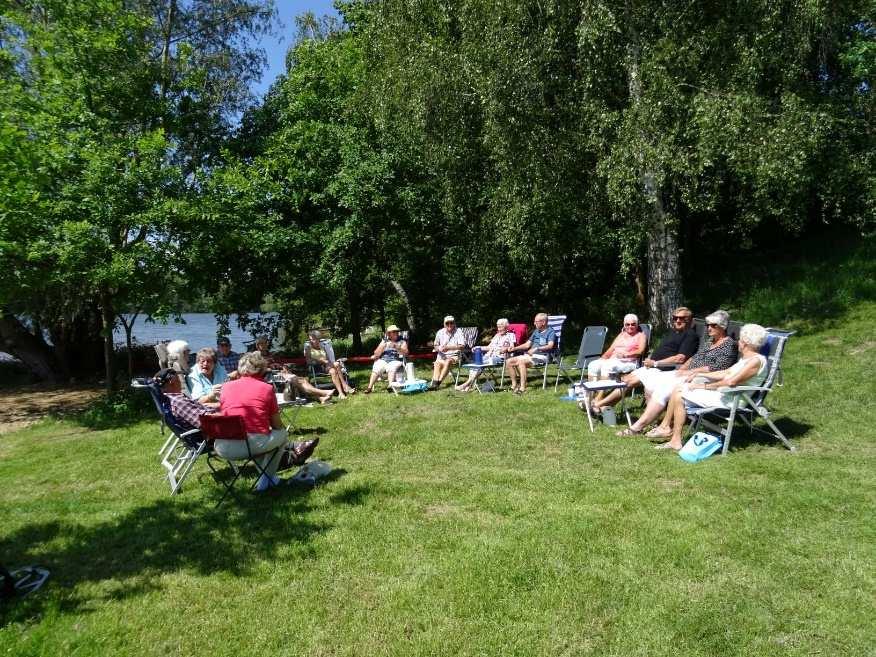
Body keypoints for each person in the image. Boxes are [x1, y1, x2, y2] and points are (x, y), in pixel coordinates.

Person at [617, 309, 738, 436]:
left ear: (723, 327)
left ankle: (637, 427)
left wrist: (691, 371)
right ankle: (655, 420)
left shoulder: (729, 345)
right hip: (688, 372)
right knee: (652, 383)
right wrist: (682, 369)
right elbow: (694, 358)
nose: (709, 328)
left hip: (702, 378)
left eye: (713, 325)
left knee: (663, 389)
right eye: (707, 325)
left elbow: (717, 367)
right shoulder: (710, 342)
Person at [650, 324, 770, 451]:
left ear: (745, 342)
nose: (738, 342)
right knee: (680, 388)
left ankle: (674, 439)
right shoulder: (746, 360)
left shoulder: (755, 361)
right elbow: (725, 372)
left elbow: (731, 382)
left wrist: (702, 386)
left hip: (732, 400)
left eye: (739, 339)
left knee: (680, 393)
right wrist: (699, 373)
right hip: (725, 395)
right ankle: (668, 430)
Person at [588, 308, 698, 414]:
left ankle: (597, 404)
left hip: (664, 370)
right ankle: (604, 406)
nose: (678, 321)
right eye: (675, 318)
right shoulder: (673, 332)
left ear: (689, 319)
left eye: (682, 318)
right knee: (625, 380)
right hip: (652, 366)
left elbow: (680, 358)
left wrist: (655, 363)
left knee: (628, 382)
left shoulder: (690, 335)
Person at [218, 352, 291, 491]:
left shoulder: (225, 387)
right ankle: (264, 482)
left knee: (261, 440)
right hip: (249, 444)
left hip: (223, 446)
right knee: (281, 435)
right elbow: (276, 424)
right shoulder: (266, 388)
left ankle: (270, 479)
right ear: (261, 369)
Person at [455, 318, 516, 392]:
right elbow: (488, 347)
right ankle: (469, 385)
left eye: (500, 327)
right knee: (476, 364)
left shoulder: (511, 335)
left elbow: (512, 347)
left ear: (506, 327)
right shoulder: (497, 336)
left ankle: (466, 384)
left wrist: (506, 349)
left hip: (500, 357)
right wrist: (478, 347)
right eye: (498, 326)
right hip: (489, 356)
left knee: (481, 364)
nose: (499, 329)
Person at [505, 313, 556, 395]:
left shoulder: (551, 332)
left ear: (543, 322)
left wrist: (537, 348)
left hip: (543, 356)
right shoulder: (536, 331)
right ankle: (514, 385)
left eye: (536, 321)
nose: (534, 323)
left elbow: (550, 345)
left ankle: (522, 388)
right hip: (530, 355)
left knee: (521, 362)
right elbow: (527, 345)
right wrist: (514, 348)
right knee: (509, 361)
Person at [154, 367, 218, 430]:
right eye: (178, 378)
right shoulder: (179, 402)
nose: (180, 381)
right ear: (172, 381)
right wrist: (225, 411)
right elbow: (206, 421)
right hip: (215, 428)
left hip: (211, 417)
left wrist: (217, 405)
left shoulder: (170, 398)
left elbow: (194, 406)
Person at [305, 330, 354, 399]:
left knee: (333, 371)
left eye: (313, 339)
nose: (311, 341)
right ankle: (345, 386)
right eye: (310, 339)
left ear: (318, 339)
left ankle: (341, 393)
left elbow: (327, 358)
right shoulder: (308, 348)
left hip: (326, 366)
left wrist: (327, 363)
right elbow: (308, 361)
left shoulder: (322, 346)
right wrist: (319, 360)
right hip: (316, 367)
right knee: (337, 364)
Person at [365, 325, 409, 393]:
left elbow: (406, 353)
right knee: (377, 366)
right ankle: (369, 387)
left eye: (397, 331)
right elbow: (376, 353)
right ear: (389, 334)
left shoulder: (402, 341)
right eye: (394, 331)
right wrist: (382, 347)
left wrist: (397, 347)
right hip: (384, 359)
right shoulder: (384, 341)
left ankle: (390, 386)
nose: (396, 333)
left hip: (395, 359)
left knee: (391, 366)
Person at [430, 316, 465, 390]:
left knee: (448, 361)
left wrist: (448, 348)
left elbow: (462, 346)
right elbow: (435, 345)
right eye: (447, 323)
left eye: (451, 323)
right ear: (444, 324)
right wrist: (439, 348)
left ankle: (437, 383)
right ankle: (435, 384)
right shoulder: (440, 332)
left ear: (454, 323)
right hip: (442, 356)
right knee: (437, 363)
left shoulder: (458, 331)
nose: (449, 325)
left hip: (454, 356)